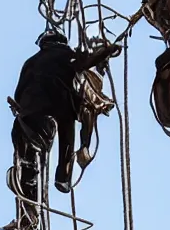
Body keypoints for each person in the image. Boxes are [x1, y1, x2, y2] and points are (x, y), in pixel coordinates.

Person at [7, 30, 121, 219]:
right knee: (67, 131)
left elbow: (19, 92)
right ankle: (63, 177)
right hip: (57, 109)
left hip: (28, 117)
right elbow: (86, 62)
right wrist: (107, 51)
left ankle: (26, 180)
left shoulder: (30, 62)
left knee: (26, 145)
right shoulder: (67, 55)